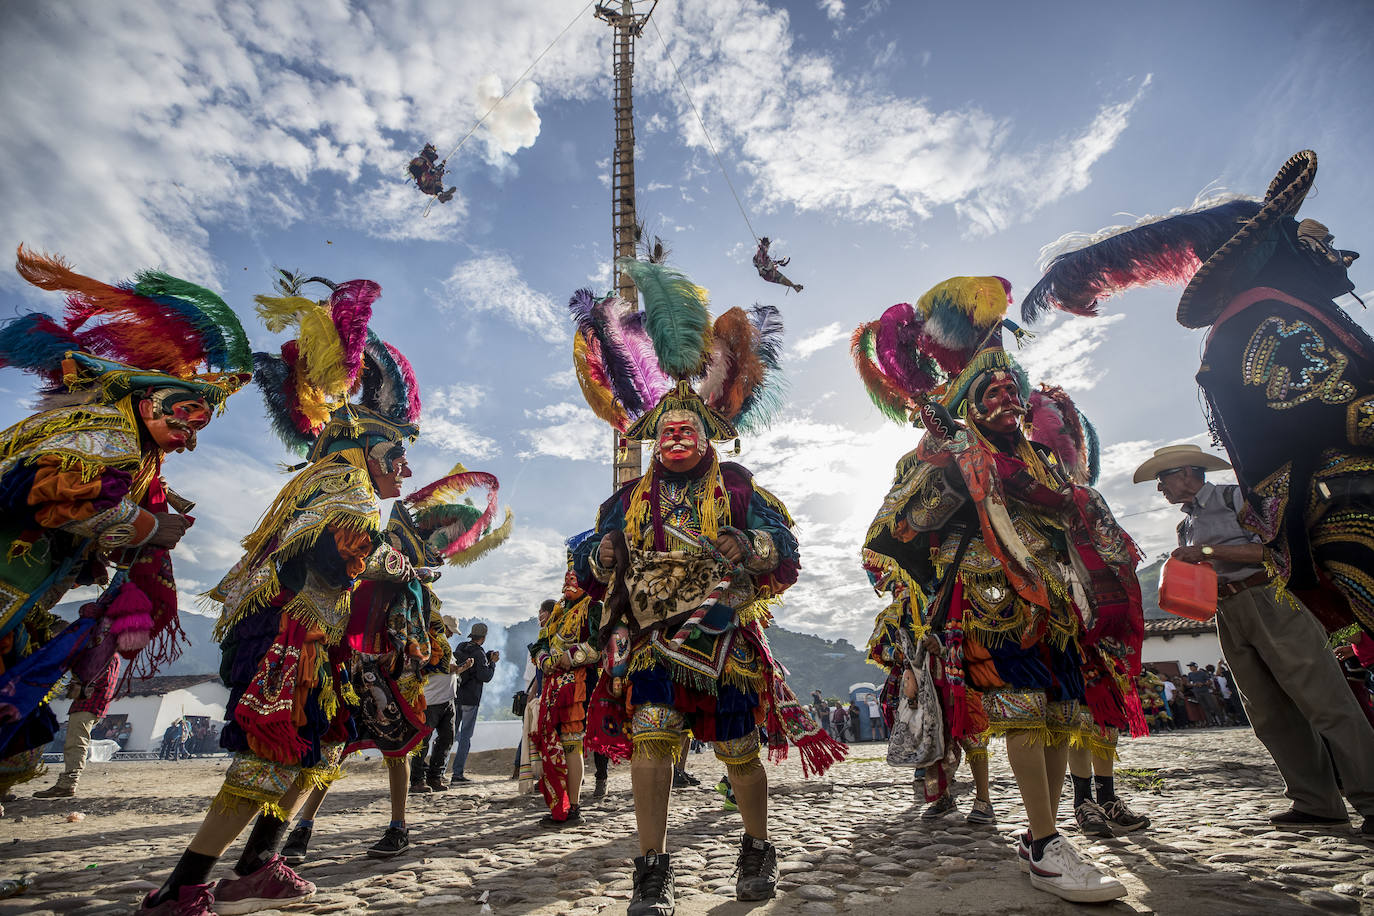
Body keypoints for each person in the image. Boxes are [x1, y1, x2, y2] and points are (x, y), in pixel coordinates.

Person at [138, 276, 426, 916]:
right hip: (288, 636)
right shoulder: (343, 484)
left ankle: (259, 866)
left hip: (315, 634)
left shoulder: (337, 482)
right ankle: (180, 888)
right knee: (270, 756)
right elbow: (332, 550)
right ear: (368, 446)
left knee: (317, 749)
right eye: (398, 454)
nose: (404, 470)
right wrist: (393, 562)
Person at [857, 277, 1146, 903]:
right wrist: (954, 472)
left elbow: (1075, 510)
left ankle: (1047, 836)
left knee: (1058, 718)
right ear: (966, 401)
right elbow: (895, 529)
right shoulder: (937, 451)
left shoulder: (1040, 458)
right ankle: (1043, 842)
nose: (1006, 399)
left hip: (1060, 597)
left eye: (1011, 390)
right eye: (990, 393)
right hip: (991, 593)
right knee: (1021, 713)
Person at [569, 258, 841, 916]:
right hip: (654, 639)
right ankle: (651, 872)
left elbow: (787, 545)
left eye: (686, 429)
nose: (676, 437)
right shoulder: (630, 498)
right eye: (666, 431)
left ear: (710, 434)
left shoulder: (740, 486)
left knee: (738, 751)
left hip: (724, 637)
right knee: (654, 736)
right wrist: (599, 552)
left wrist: (750, 544)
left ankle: (756, 847)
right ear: (654, 439)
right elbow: (583, 556)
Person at [1023, 150, 1374, 647]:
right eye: (1311, 241)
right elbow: (1339, 409)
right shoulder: (1262, 315)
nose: (1340, 254)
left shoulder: (1260, 314)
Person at [0, 247, 251, 800]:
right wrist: (146, 526)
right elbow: (58, 495)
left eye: (200, 425)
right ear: (148, 400)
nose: (190, 435)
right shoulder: (107, 430)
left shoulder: (130, 448)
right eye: (186, 414)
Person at [1137, 444, 1374, 836]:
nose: (1160, 490)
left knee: (1326, 700)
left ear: (1184, 473)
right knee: (1267, 712)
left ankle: (1370, 796)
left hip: (1269, 598)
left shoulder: (1239, 497)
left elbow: (1274, 549)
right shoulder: (1186, 523)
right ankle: (1315, 802)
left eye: (1162, 481)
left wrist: (1209, 551)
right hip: (1227, 611)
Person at [278, 468, 510, 863]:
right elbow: (363, 569)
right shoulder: (372, 552)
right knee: (331, 748)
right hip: (347, 664)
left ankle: (397, 827)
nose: (432, 550)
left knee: (396, 750)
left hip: (392, 675)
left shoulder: (421, 590)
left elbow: (430, 641)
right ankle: (299, 829)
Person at [530, 565, 606, 825]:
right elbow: (541, 643)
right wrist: (545, 660)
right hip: (552, 686)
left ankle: (572, 807)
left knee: (572, 744)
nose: (568, 583)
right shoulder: (560, 612)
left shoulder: (594, 607)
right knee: (553, 743)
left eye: (575, 578)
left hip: (578, 685)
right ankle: (557, 804)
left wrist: (570, 656)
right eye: (566, 578)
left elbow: (599, 644)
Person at [34, 656, 122, 798]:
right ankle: (68, 782)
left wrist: (80, 678)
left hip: (90, 704)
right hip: (86, 704)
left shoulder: (108, 654)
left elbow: (102, 681)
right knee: (75, 740)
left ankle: (68, 783)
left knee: (76, 741)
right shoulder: (107, 654)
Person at [411, 615, 468, 795]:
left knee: (447, 738)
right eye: (449, 630)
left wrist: (461, 669)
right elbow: (424, 666)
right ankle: (417, 779)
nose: (451, 634)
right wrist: (448, 669)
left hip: (447, 699)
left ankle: (435, 775)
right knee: (423, 741)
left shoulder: (443, 644)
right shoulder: (427, 642)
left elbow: (449, 670)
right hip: (430, 700)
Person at [450, 623, 498, 783]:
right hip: (471, 700)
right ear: (483, 638)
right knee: (465, 737)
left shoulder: (461, 647)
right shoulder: (479, 654)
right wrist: (492, 663)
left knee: (449, 734)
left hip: (456, 696)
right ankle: (457, 773)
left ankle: (439, 770)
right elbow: (485, 676)